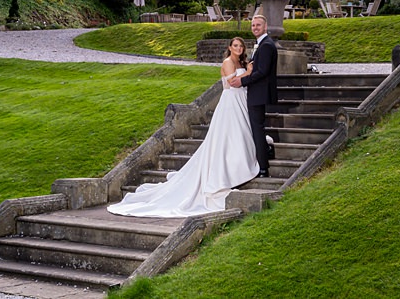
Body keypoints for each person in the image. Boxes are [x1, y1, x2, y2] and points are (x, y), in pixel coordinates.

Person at [107, 37, 259, 218]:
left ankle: (239, 164)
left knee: (239, 134)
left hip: (241, 99)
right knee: (229, 135)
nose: (239, 48)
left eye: (241, 46)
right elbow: (233, 83)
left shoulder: (240, 61)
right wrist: (248, 72)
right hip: (231, 101)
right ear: (230, 47)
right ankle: (227, 172)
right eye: (235, 45)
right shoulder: (227, 62)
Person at [228, 14, 278, 177]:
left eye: (258, 25)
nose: (255, 27)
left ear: (265, 27)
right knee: (256, 129)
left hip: (259, 94)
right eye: (253, 25)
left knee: (257, 130)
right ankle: (265, 154)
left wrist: (243, 82)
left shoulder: (266, 46)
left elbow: (262, 72)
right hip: (257, 93)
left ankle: (263, 168)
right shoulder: (263, 44)